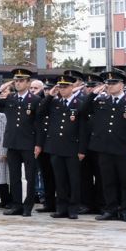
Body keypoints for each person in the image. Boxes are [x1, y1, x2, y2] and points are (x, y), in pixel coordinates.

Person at [82, 70, 126, 222]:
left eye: (113, 83)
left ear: (122, 84)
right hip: (104, 148)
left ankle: (125, 210)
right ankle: (110, 209)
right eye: (108, 83)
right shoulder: (100, 101)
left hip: (124, 149)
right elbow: (83, 111)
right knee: (108, 181)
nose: (110, 86)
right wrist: (93, 94)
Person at [0, 68, 43, 217]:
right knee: (14, 176)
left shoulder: (35, 100)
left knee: (30, 176)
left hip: (28, 143)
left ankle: (28, 206)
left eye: (21, 81)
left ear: (28, 82)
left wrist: (38, 144)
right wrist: (1, 88)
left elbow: (38, 124)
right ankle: (16, 204)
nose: (18, 83)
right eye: (16, 81)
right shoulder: (10, 98)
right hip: (12, 143)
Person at [36, 71, 86, 219]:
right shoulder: (54, 102)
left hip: (72, 148)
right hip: (55, 147)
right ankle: (61, 208)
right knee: (60, 179)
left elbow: (83, 129)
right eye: (60, 87)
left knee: (74, 180)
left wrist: (82, 149)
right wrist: (50, 95)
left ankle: (73, 209)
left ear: (72, 87)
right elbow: (39, 112)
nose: (62, 89)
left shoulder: (79, 104)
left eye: (65, 87)